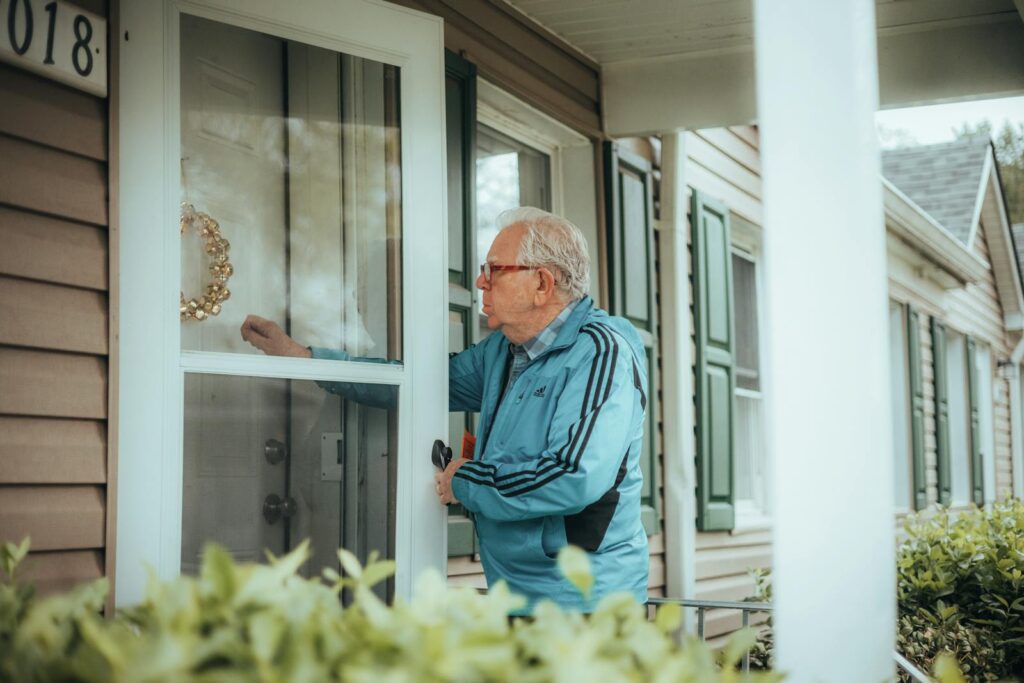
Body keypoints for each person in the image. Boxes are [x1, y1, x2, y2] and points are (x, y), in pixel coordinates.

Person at [241, 207, 649, 613]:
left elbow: (573, 476)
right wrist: (304, 357)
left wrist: (466, 480)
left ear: (541, 283)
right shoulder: (503, 353)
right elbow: (414, 383)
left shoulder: (600, 353)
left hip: (586, 603)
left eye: (494, 270)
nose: (479, 282)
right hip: (516, 595)